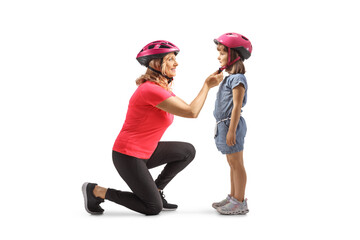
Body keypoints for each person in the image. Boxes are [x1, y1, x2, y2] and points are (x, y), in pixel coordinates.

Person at [82, 40, 223, 216]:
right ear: (157, 63)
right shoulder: (150, 90)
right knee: (152, 208)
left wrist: (207, 85)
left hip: (147, 151)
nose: (176, 63)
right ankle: (96, 191)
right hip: (128, 155)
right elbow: (191, 112)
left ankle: (156, 189)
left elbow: (188, 107)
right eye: (170, 59)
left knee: (187, 151)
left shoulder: (160, 88)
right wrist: (207, 86)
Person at [211, 33, 252, 215]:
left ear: (233, 55)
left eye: (222, 53)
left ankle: (240, 202)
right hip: (225, 125)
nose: (218, 56)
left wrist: (231, 131)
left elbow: (236, 107)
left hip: (231, 125)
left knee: (237, 164)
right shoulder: (229, 78)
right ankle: (233, 197)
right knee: (232, 163)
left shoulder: (238, 79)